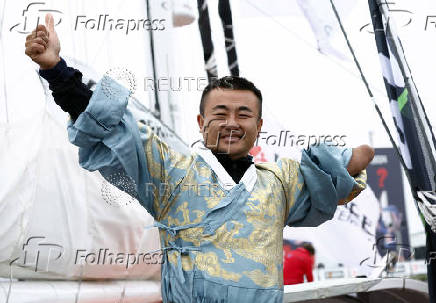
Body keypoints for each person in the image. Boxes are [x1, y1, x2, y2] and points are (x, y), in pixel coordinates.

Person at [24, 13, 374, 303]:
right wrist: (56, 69)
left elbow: (335, 175)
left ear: (259, 125)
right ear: (201, 122)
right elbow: (115, 129)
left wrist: (345, 159)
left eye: (244, 114)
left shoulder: (282, 182)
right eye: (220, 113)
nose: (232, 123)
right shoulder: (169, 173)